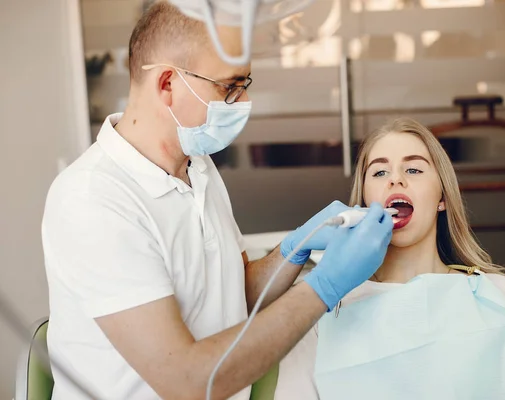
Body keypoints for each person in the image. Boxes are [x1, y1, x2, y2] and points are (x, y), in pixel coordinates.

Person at [40, 3, 393, 400]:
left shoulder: (199, 166)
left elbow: (234, 295)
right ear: (167, 84)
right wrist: (324, 287)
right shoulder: (95, 201)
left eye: (244, 84)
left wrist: (294, 249)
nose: (241, 102)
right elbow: (187, 382)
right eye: (229, 86)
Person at [274, 117, 505, 399]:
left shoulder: (503, 297)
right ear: (363, 201)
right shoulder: (318, 307)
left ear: (441, 198)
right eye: (380, 173)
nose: (396, 179)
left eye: (413, 169)